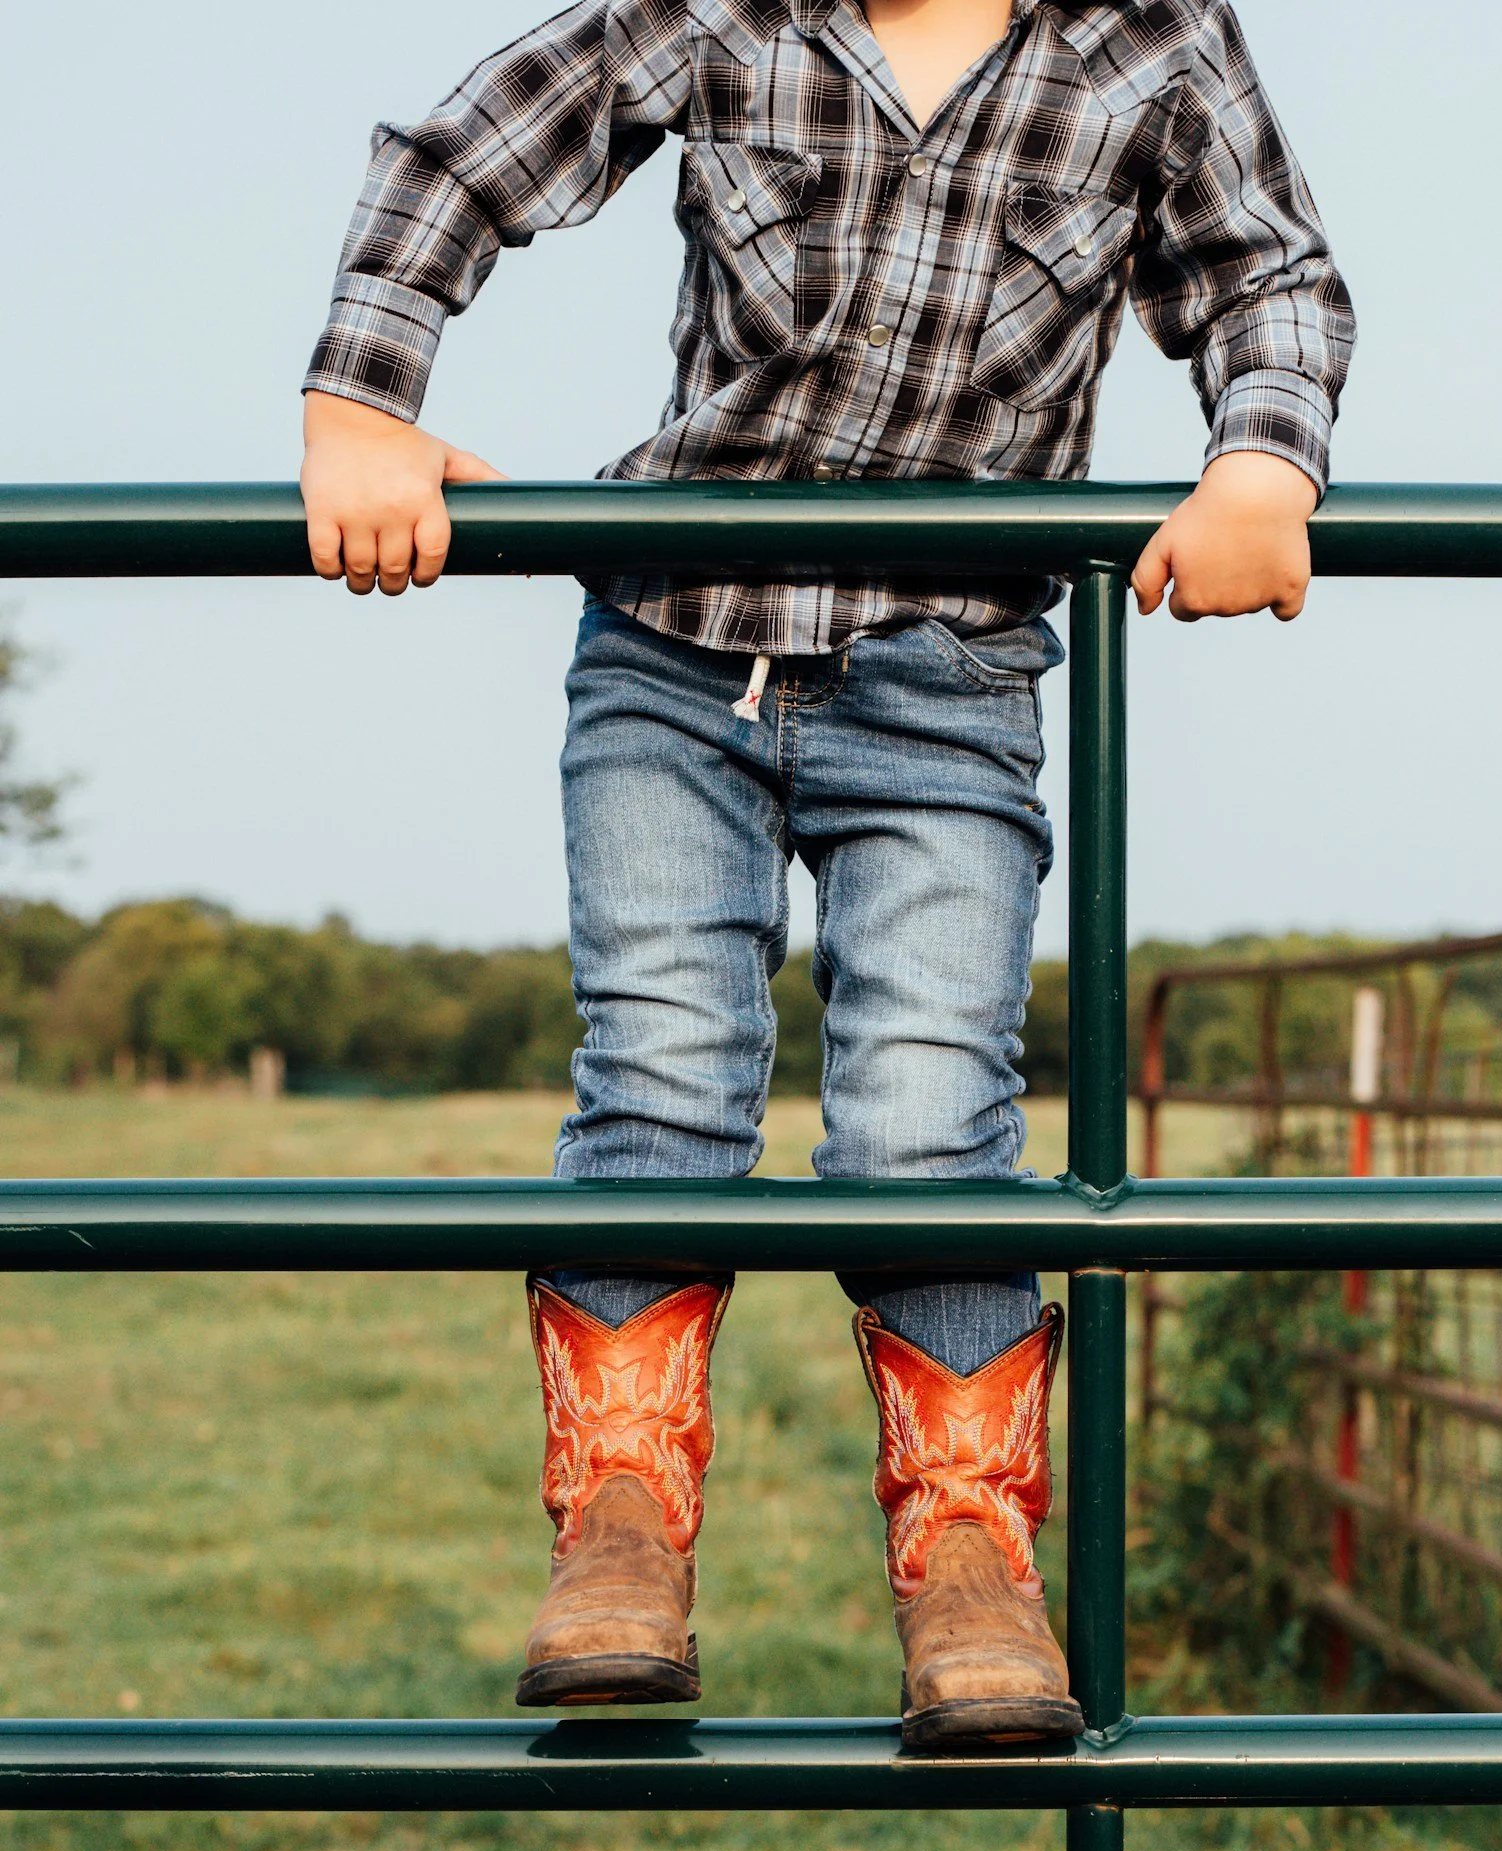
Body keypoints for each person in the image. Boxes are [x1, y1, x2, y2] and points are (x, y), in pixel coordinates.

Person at [301, 0, 1354, 1753]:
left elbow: (1275, 279)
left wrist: (1261, 457)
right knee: (654, 1076)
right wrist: (361, 405)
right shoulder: (719, 9)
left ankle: (969, 1561)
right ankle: (622, 1533)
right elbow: (465, 150)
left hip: (948, 677)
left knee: (931, 1120)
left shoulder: (1151, 40)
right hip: (672, 646)